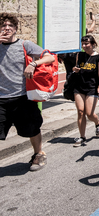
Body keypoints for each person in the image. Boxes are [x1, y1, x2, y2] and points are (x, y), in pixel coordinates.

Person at [0, 13, 54, 171]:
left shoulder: (25, 44)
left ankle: (38, 154)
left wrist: (34, 63)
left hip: (23, 97)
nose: (7, 28)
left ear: (16, 29)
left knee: (32, 129)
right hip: (1, 98)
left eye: (10, 26)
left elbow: (49, 57)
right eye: (3, 25)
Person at [71, 35, 99, 147]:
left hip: (92, 87)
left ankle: (97, 122)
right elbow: (75, 67)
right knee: (80, 112)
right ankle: (82, 137)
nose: (84, 46)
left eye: (87, 44)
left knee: (89, 113)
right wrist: (75, 70)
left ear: (93, 44)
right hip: (79, 86)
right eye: (83, 44)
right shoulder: (79, 55)